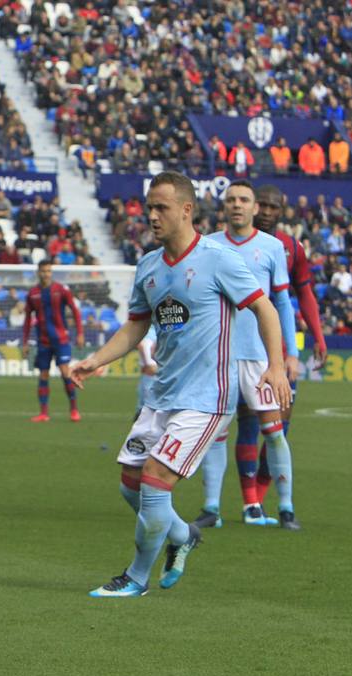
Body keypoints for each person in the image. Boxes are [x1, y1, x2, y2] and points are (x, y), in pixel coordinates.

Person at [70, 172, 291, 598]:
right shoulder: (150, 266)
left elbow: (265, 308)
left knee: (154, 480)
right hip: (163, 395)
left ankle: (135, 578)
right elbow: (135, 327)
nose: (151, 215)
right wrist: (95, 360)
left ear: (186, 210)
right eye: (148, 207)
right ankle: (183, 534)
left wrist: (276, 366)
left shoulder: (218, 258)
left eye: (161, 208)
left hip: (207, 399)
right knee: (130, 485)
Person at [194, 181, 300, 530]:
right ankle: (211, 507)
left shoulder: (271, 248)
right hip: (219, 357)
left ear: (255, 208)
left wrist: (290, 354)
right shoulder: (207, 246)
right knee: (215, 433)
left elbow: (282, 303)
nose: (236, 205)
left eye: (243, 200)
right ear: (224, 207)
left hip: (259, 358)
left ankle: (285, 509)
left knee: (273, 432)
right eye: (231, 200)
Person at [22, 259, 84, 422]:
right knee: (43, 375)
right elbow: (28, 319)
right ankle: (43, 413)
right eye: (43, 271)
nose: (46, 274)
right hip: (43, 341)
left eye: (49, 271)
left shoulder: (61, 289)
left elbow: (75, 311)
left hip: (61, 339)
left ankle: (74, 410)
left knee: (65, 372)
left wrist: (80, 333)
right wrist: (25, 342)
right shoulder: (33, 293)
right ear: (38, 272)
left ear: (51, 272)